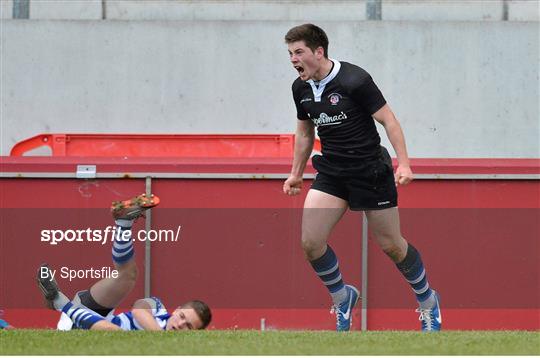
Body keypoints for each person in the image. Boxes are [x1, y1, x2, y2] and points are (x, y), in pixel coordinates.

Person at [282, 24, 441, 332]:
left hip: (370, 170)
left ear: (319, 52)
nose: (292, 59)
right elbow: (304, 133)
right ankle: (343, 297)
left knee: (392, 245)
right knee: (311, 242)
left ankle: (428, 302)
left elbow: (388, 120)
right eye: (289, 54)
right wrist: (295, 175)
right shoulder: (299, 88)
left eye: (298, 52)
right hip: (332, 171)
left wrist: (404, 164)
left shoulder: (354, 79)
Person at [36, 194, 212, 331]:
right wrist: (160, 336)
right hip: (87, 312)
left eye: (188, 326)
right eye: (182, 316)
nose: (180, 324)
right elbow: (138, 310)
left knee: (116, 332)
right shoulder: (159, 308)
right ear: (177, 309)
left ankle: (59, 302)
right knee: (128, 275)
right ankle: (123, 222)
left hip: (80, 328)